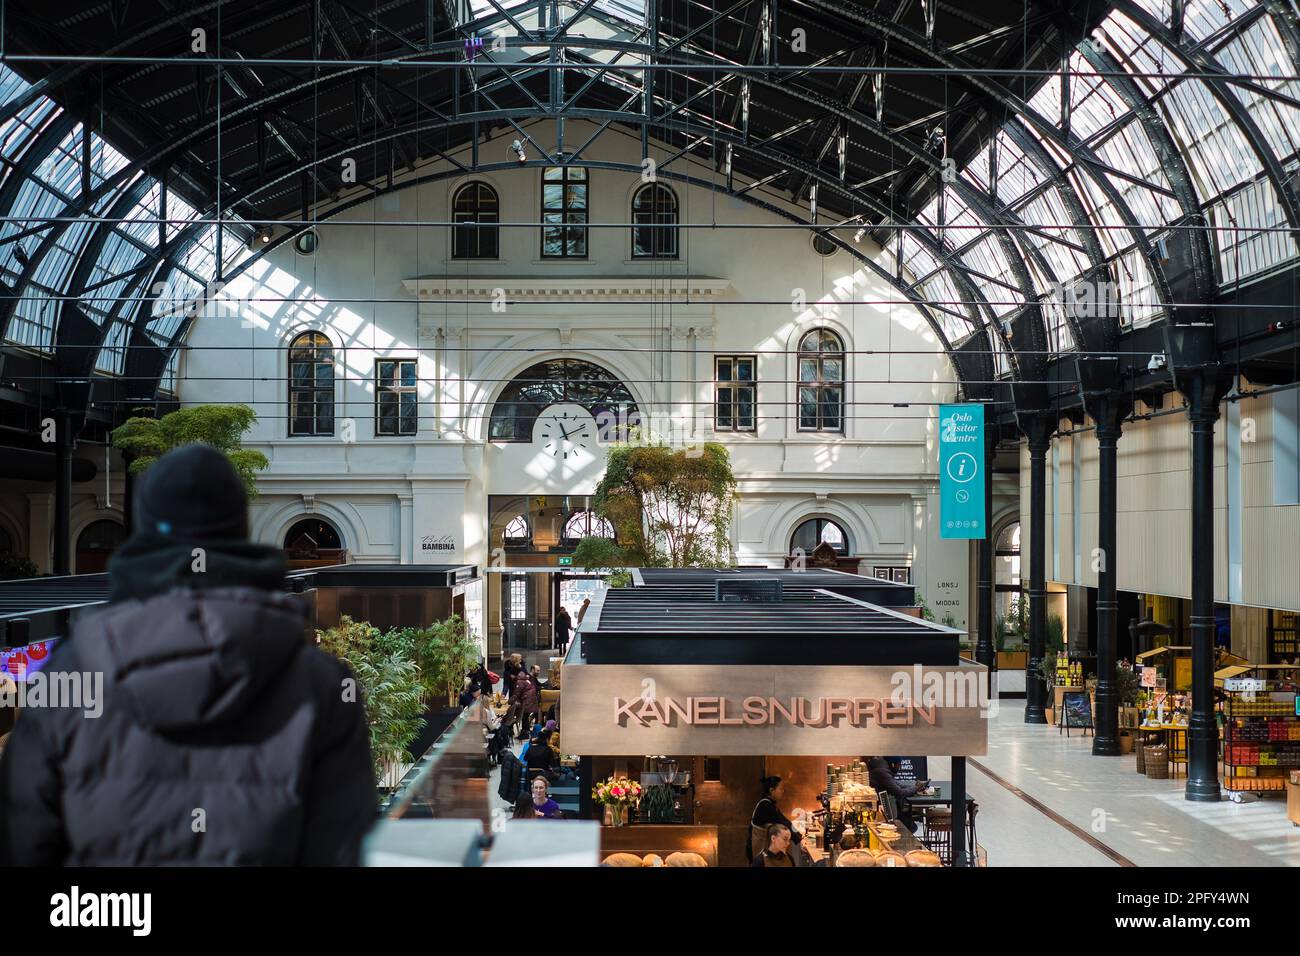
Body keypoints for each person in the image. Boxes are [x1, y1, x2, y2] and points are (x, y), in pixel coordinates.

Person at [0, 444, 375, 866]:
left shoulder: (72, 673)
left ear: (143, 533)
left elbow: (24, 842)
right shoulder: (323, 687)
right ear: (239, 531)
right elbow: (339, 851)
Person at [748, 775, 803, 864]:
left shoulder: (770, 803)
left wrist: (798, 835)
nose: (783, 791)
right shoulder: (765, 805)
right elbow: (782, 823)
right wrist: (798, 838)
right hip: (759, 848)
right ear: (771, 790)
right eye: (781, 789)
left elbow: (784, 820)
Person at [867, 756, 925, 834]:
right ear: (893, 764)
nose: (900, 768)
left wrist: (915, 787)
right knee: (911, 826)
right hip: (884, 810)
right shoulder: (882, 772)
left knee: (910, 824)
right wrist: (915, 788)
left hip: (886, 807)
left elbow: (897, 785)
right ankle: (898, 844)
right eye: (899, 765)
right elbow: (899, 792)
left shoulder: (882, 769)